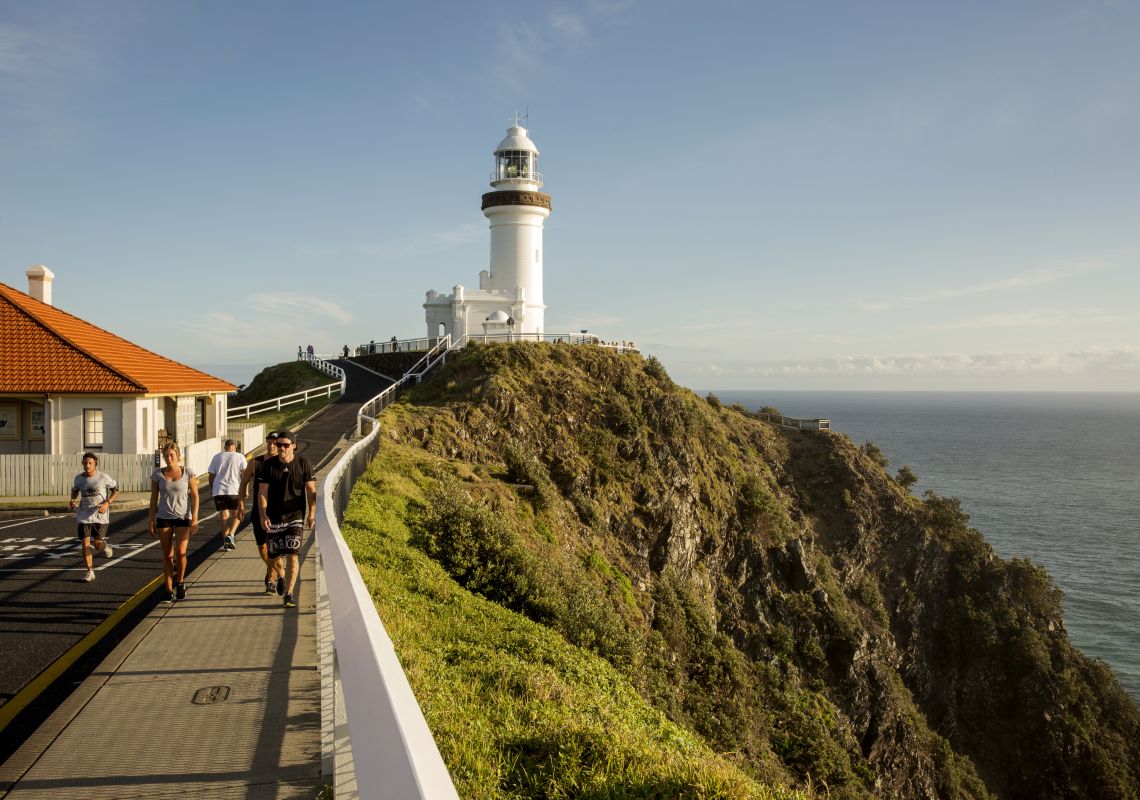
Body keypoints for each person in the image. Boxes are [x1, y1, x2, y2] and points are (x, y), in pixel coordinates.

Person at [257, 430, 315, 609]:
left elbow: (311, 491)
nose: (280, 448)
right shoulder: (268, 466)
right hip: (273, 517)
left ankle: (289, 594)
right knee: (273, 556)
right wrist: (263, 514)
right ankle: (281, 576)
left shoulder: (303, 463)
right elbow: (262, 492)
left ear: (294, 446)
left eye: (285, 445)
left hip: (295, 517)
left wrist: (312, 513)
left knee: (292, 555)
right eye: (278, 444)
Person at [148, 442, 199, 602]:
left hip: (183, 517)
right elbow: (153, 498)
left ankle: (181, 581)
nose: (169, 458)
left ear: (178, 456)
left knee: (181, 553)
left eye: (172, 455)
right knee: (167, 555)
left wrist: (195, 518)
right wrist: (151, 519)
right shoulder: (158, 474)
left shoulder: (187, 472)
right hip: (164, 517)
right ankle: (169, 589)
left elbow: (196, 496)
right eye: (166, 455)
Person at [239, 431, 281, 594]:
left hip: (277, 512)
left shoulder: (283, 463)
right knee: (263, 548)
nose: (271, 446)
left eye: (275, 443)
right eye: (269, 442)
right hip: (258, 512)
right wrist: (241, 505)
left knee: (274, 548)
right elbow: (243, 484)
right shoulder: (255, 463)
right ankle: (273, 571)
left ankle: (271, 577)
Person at [69, 452, 120, 583]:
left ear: (95, 464)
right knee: (85, 543)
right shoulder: (79, 478)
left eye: (90, 463)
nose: (87, 465)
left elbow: (116, 490)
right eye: (85, 463)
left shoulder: (103, 477)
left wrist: (107, 503)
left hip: (100, 514)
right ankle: (90, 572)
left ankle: (105, 547)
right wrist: (73, 499)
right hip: (84, 515)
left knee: (97, 544)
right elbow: (75, 490)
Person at [208, 439, 246, 551]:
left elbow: (211, 475)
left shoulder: (216, 457)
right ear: (235, 446)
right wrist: (245, 490)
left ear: (225, 447)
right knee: (237, 515)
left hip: (219, 490)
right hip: (234, 490)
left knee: (224, 517)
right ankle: (231, 534)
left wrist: (212, 489)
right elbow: (245, 475)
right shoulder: (240, 457)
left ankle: (226, 543)